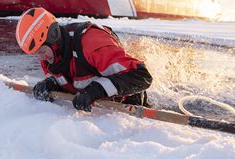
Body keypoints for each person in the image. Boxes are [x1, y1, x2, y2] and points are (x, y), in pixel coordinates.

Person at [15, 7, 153, 111]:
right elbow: (67, 81)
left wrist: (96, 90)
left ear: (53, 36)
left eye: (42, 51)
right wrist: (50, 84)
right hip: (97, 113)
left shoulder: (92, 44)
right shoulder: (50, 55)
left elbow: (141, 77)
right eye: (36, 54)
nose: (41, 58)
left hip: (127, 107)